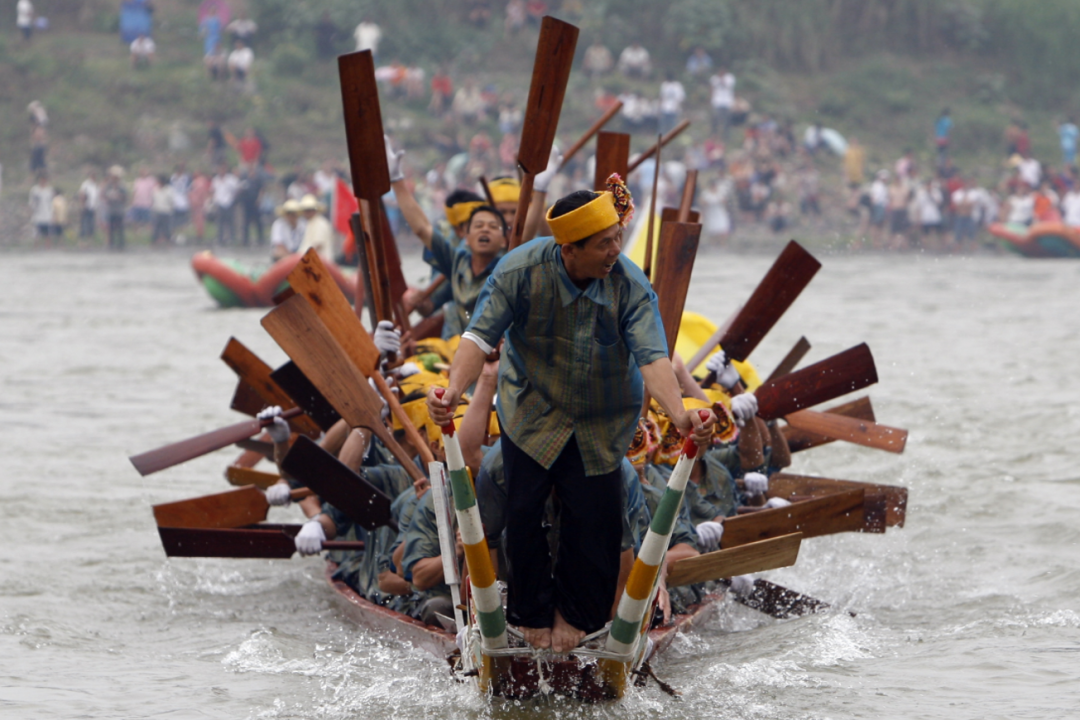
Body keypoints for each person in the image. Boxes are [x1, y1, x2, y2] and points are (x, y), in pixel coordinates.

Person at [427, 181, 716, 653]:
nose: (614, 251)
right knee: (523, 513)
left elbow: (652, 358)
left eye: (616, 239)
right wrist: (451, 392)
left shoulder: (629, 284)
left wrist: (680, 413)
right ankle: (530, 618)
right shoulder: (518, 271)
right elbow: (478, 339)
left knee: (595, 522)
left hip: (602, 421)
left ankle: (579, 620)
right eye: (604, 244)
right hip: (532, 410)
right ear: (569, 250)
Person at [211, 164, 239, 245]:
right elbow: (213, 190)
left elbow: (237, 188)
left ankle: (232, 239)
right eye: (219, 169)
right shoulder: (215, 180)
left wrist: (233, 198)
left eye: (222, 169)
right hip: (219, 203)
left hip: (229, 202)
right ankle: (220, 239)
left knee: (231, 222)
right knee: (220, 223)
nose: (221, 171)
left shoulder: (231, 179)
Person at [238, 166, 265, 246]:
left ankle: (260, 239)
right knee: (246, 222)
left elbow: (261, 190)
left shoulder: (257, 180)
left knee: (258, 222)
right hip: (247, 204)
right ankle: (245, 240)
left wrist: (259, 199)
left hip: (255, 203)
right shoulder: (245, 181)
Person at [103, 168, 128, 250]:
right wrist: (109, 197)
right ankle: (111, 243)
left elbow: (125, 197)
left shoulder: (122, 187)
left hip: (119, 210)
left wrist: (119, 196)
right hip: (111, 210)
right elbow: (104, 196)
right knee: (111, 228)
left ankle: (121, 243)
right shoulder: (108, 186)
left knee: (120, 228)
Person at [709, 67, 735, 140]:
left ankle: (726, 136)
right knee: (715, 119)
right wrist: (711, 100)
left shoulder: (730, 78)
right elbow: (711, 89)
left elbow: (727, 86)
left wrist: (721, 79)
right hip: (717, 102)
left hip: (727, 102)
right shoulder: (714, 78)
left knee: (727, 120)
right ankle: (714, 135)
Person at [658, 72, 685, 136]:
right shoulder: (664, 85)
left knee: (673, 126)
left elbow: (680, 98)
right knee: (663, 126)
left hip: (673, 109)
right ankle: (662, 137)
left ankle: (671, 137)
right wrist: (659, 107)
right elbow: (661, 97)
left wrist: (678, 107)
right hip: (665, 108)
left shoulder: (677, 86)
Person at [28, 174, 53, 241]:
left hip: (47, 215)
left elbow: (51, 203)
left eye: (44, 180)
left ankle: (48, 249)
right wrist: (30, 213)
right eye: (41, 180)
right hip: (37, 215)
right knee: (36, 233)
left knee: (47, 233)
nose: (43, 181)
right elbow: (31, 203)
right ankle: (35, 248)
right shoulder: (34, 190)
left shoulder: (49, 190)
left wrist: (53, 215)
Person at [151, 175, 173, 245]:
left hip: (166, 211)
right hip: (157, 211)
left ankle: (168, 242)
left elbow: (172, 201)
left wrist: (170, 209)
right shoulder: (155, 189)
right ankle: (155, 242)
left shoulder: (169, 190)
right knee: (156, 228)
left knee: (166, 228)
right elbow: (153, 200)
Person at [78, 169, 100, 240]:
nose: (93, 177)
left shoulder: (95, 185)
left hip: (93, 208)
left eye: (95, 176)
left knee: (91, 225)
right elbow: (82, 194)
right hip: (86, 207)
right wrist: (82, 205)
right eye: (92, 176)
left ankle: (89, 241)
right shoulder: (86, 184)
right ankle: (82, 241)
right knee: (84, 225)